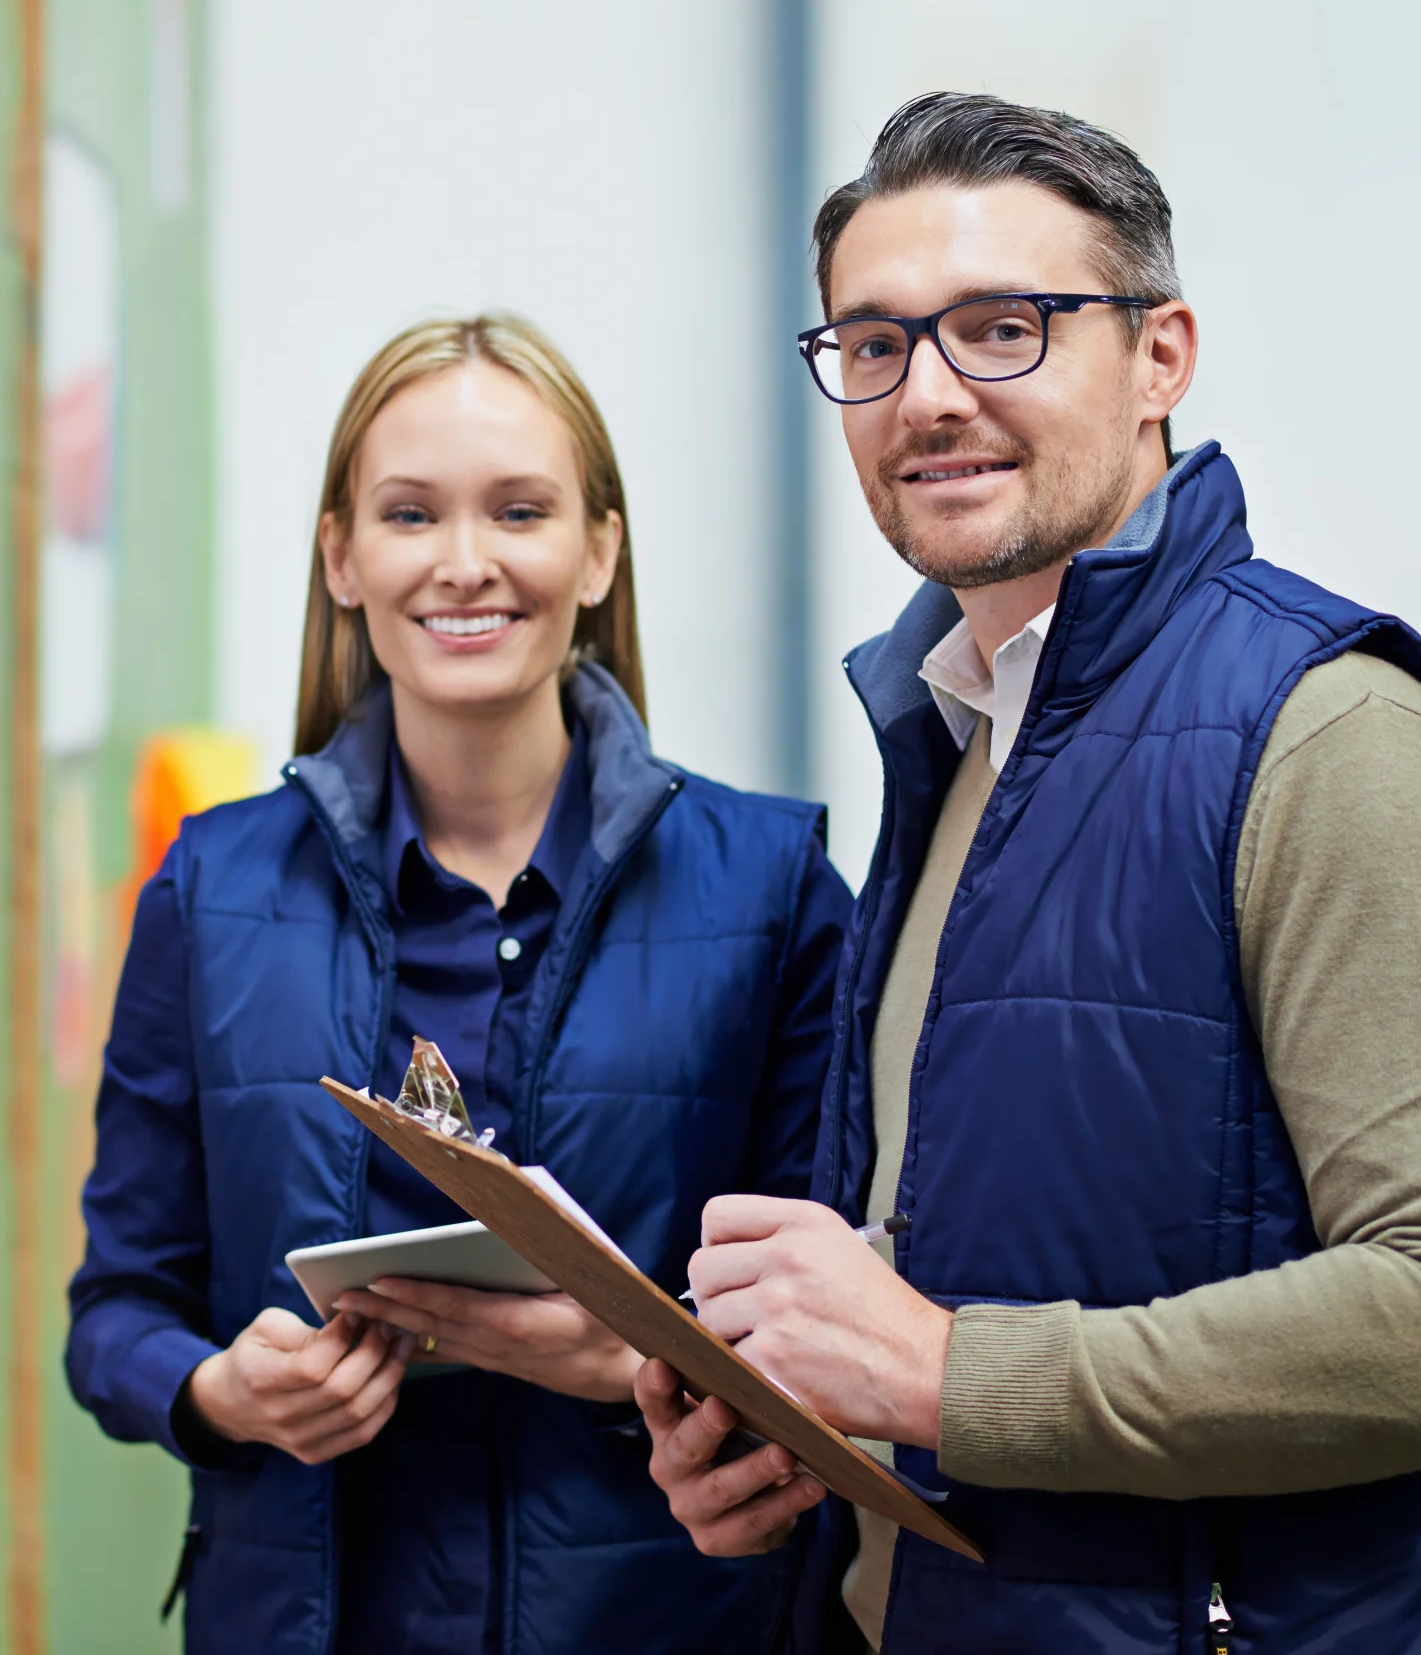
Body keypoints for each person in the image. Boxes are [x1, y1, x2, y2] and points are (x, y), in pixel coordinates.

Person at [640, 94, 1421, 1652]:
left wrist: (939, 1376)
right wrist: (791, 1402)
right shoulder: (957, 739)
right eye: (872, 345)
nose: (927, 395)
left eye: (1003, 327)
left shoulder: (1340, 736)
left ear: (1162, 355)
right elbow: (1004, 1244)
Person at [68, 315, 852, 1655]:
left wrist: (628, 1361)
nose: (466, 561)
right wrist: (218, 1389)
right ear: (343, 557)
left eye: (521, 509)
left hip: (668, 1620)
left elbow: (841, 1325)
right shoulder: (210, 890)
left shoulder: (771, 890)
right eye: (412, 512)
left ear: (597, 550)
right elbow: (116, 1309)